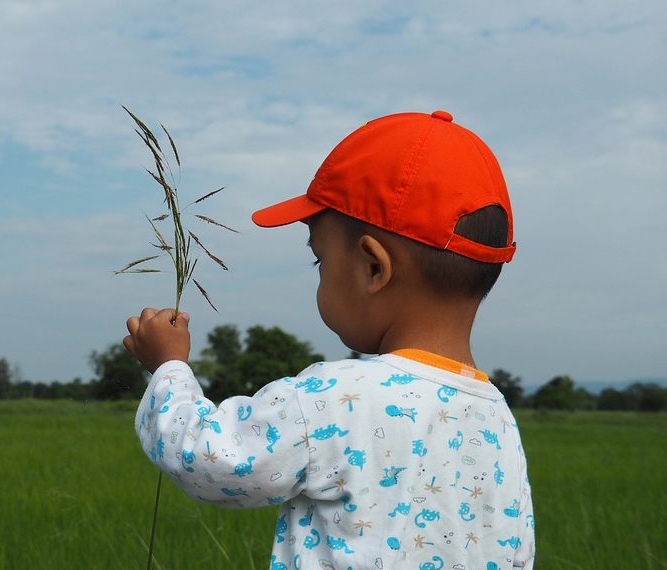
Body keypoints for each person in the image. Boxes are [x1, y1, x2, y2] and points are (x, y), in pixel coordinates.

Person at [124, 110, 534, 569]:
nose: (319, 275)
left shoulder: (333, 398)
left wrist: (169, 369)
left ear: (373, 267)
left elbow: (211, 460)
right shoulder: (497, 419)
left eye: (319, 261)